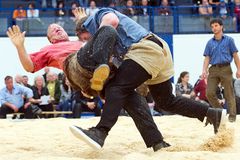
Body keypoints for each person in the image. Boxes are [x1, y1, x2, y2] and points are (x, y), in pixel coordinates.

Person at [64, 8, 226, 151]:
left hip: (145, 49)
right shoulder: (102, 37)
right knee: (165, 101)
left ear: (84, 29)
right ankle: (210, 115)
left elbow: (111, 21)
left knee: (116, 88)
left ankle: (100, 132)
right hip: (159, 51)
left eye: (85, 38)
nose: (86, 43)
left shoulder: (97, 17)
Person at [202, 18, 240, 122]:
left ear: (221, 26)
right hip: (213, 69)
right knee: (209, 93)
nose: (214, 28)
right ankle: (221, 111)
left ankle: (232, 116)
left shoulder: (229, 40)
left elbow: (235, 55)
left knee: (229, 93)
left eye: (216, 25)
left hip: (226, 68)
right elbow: (207, 58)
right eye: (212, 26)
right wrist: (204, 70)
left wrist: (238, 69)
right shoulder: (209, 43)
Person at [6, 23, 84, 73]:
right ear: (51, 40)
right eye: (53, 30)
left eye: (59, 27)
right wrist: (20, 46)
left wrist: (83, 20)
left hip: (91, 58)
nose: (56, 28)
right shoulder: (49, 49)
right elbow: (29, 67)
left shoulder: (79, 42)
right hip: (78, 68)